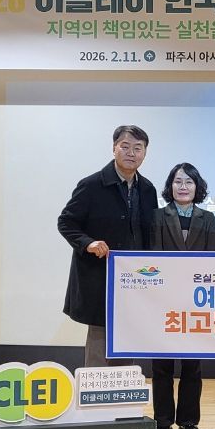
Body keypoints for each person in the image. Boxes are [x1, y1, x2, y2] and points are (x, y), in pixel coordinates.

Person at [58, 125, 157, 367]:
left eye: (138, 148)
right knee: (99, 341)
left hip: (134, 278)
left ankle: (122, 391)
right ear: (114, 148)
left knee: (127, 339)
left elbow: (151, 232)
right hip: (99, 276)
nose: (131, 153)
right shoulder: (91, 185)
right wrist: (88, 243)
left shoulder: (147, 189)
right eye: (125, 146)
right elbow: (66, 222)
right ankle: (94, 390)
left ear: (145, 153)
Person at [151, 163, 215, 429]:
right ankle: (162, 422)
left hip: (195, 302)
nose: (183, 186)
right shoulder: (157, 215)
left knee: (192, 366)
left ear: (197, 187)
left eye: (189, 182)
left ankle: (189, 422)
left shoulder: (208, 218)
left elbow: (213, 260)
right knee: (161, 366)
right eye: (178, 181)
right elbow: (153, 257)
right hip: (163, 301)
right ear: (170, 186)